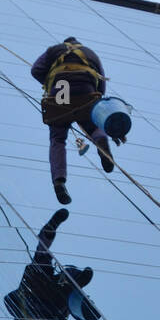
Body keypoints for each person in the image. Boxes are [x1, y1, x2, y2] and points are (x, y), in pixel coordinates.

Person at [30, 36, 123, 204]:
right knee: (93, 126)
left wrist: (49, 85)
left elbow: (36, 70)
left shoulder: (54, 50)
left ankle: (59, 181)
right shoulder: (90, 53)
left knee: (58, 137)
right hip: (85, 88)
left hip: (60, 88)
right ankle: (101, 143)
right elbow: (101, 87)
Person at [3, 208, 101, 320]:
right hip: (41, 291)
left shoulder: (57, 315)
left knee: (43, 262)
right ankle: (48, 235)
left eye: (88, 301)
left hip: (35, 295)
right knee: (44, 262)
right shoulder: (61, 315)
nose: (88, 298)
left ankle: (47, 236)